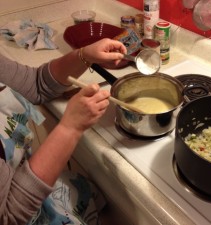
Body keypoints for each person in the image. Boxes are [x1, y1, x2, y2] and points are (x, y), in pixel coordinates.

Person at [0, 38, 127, 225]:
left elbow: (35, 84)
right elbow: (9, 216)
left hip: (37, 194)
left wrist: (84, 55)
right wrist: (70, 128)